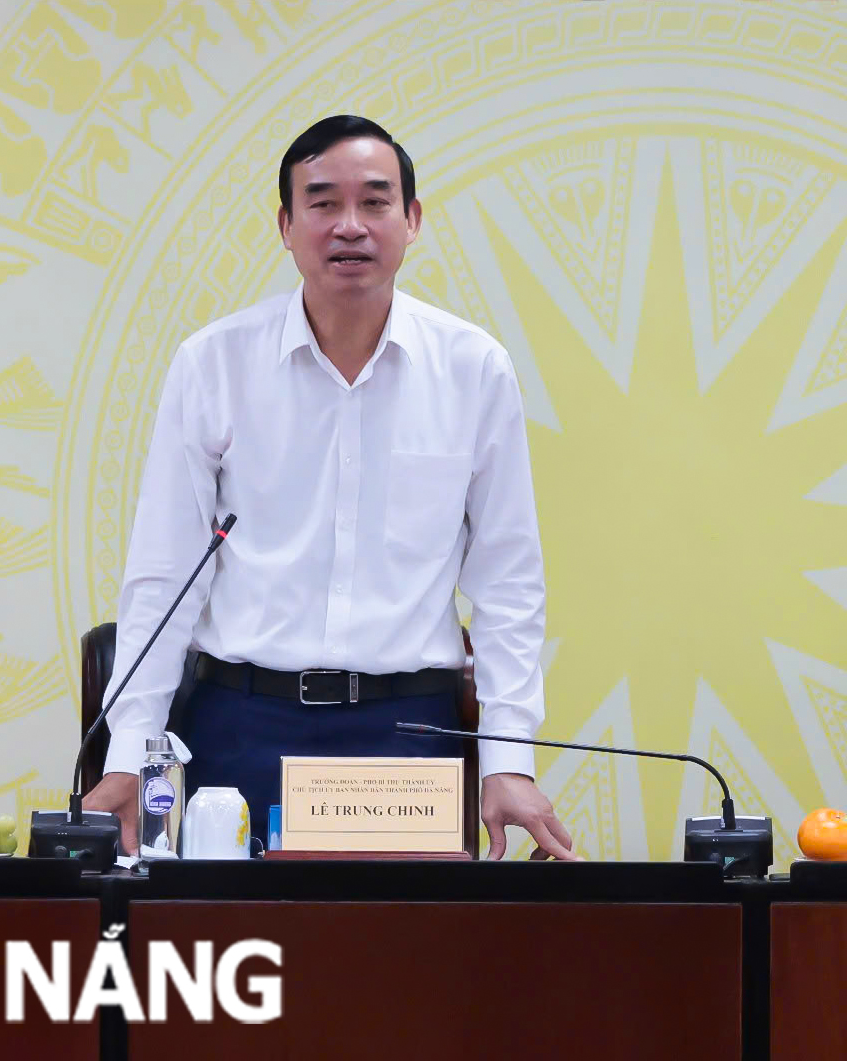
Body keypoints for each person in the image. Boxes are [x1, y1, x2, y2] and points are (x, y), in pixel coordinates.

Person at [83, 115, 577, 861]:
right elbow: (163, 582)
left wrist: (509, 759)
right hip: (244, 726)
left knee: (396, 965)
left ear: (412, 220)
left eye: (375, 202)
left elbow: (509, 582)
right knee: (242, 961)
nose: (350, 225)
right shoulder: (213, 365)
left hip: (408, 734)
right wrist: (128, 755)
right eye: (321, 203)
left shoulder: (474, 370)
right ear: (286, 225)